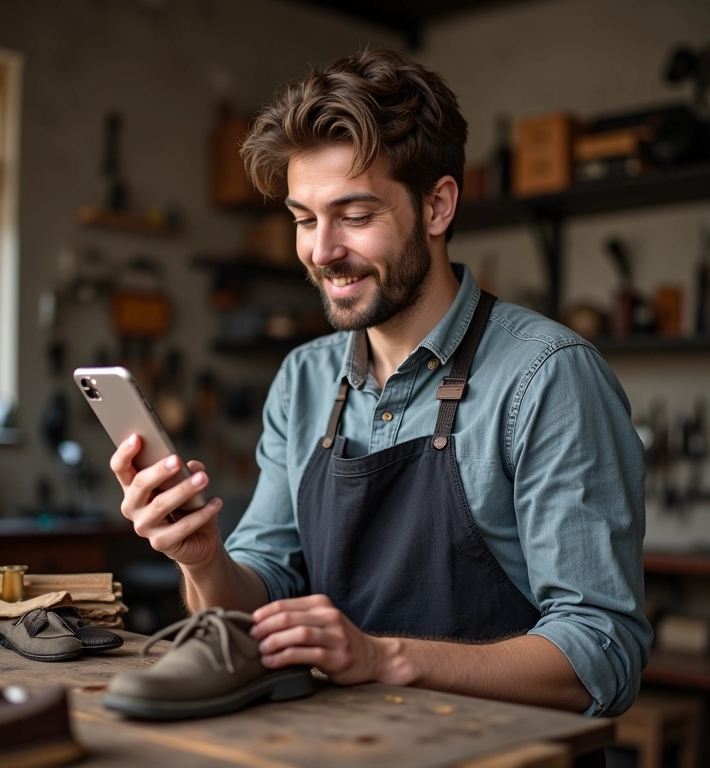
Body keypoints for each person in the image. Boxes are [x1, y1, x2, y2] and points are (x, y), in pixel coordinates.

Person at [110, 49, 651, 719]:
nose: (321, 251)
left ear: (438, 207)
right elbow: (255, 608)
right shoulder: (303, 380)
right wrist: (202, 560)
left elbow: (602, 652)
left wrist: (382, 658)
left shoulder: (549, 377)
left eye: (355, 216)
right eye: (306, 219)